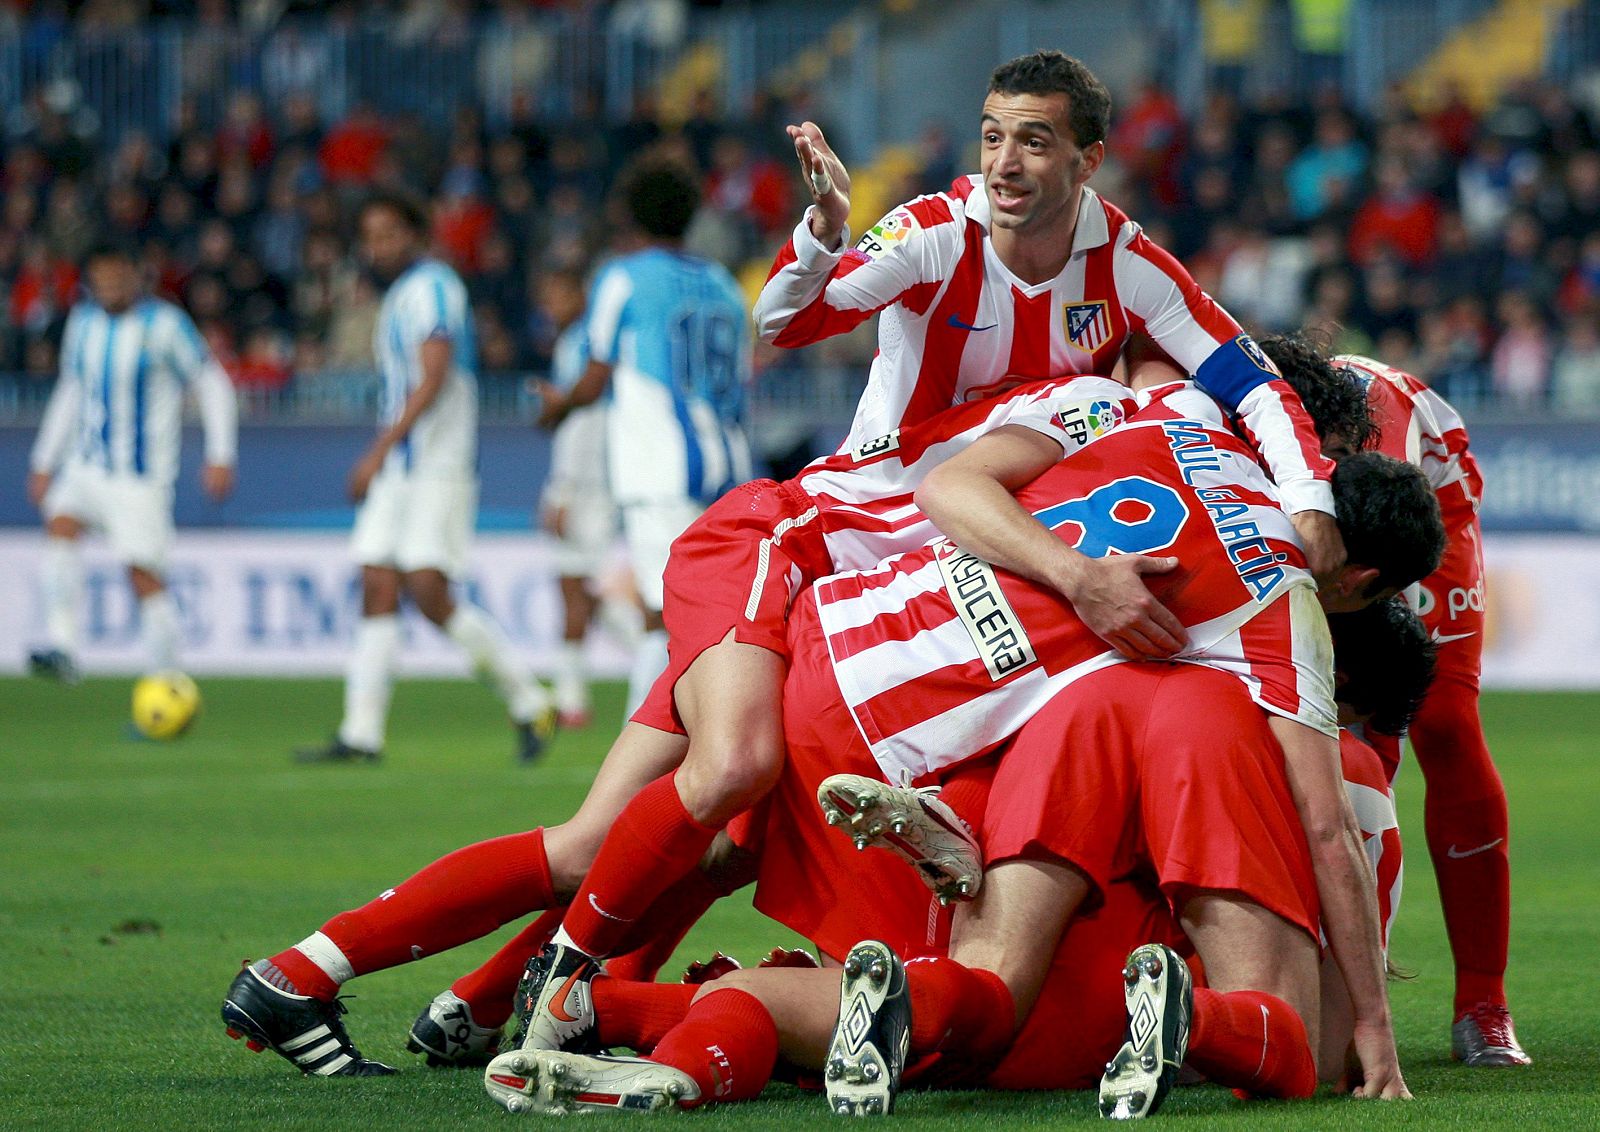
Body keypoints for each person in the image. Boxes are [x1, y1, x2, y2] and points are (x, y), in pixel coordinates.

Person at [481, 383, 1444, 1116]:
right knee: (1012, 1011)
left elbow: (957, 478)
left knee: (704, 833)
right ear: (1358, 580)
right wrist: (1373, 1026)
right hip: (921, 730)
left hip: (851, 630)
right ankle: (1173, 1008)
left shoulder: (1172, 409)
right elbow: (1329, 831)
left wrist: (1070, 570)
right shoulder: (1281, 635)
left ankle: (561, 995)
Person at [219, 372, 1146, 1077]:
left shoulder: (1116, 452)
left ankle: (335, 979)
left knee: (654, 845)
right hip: (774, 546)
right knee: (737, 769)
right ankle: (561, 983)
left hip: (826, 615)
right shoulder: (1093, 410)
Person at [757, 50, 1348, 582]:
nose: (1004, 165)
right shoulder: (931, 234)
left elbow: (1252, 383)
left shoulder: (1127, 263)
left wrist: (1308, 500)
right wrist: (825, 229)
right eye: (992, 139)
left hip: (1026, 528)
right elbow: (784, 325)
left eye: (1033, 144)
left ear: (1089, 161)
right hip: (889, 508)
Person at [296, 193, 552, 766]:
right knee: (377, 583)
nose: (379, 245)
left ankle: (529, 699)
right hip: (403, 470)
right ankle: (361, 734)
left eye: (390, 232)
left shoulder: (434, 286)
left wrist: (375, 451)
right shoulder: (402, 295)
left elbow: (433, 378)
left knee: (429, 593)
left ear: (414, 233)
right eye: (371, 235)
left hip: (436, 466)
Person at [1328, 353, 1528, 1067]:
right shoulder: (1245, 431)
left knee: (1433, 720)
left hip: (1423, 511)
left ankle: (1483, 1004)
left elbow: (1390, 534)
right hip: (1331, 527)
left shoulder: (1382, 438)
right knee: (1330, 736)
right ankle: (1334, 988)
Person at [535, 159, 753, 719]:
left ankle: (645, 755)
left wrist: (561, 406)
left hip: (659, 468)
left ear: (629, 215)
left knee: (665, 614)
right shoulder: (725, 285)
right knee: (716, 609)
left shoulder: (622, 277)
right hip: (728, 466)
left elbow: (596, 371)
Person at [27, 239, 237, 683]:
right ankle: (63, 646)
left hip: (139, 477)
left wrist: (220, 454)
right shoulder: (82, 323)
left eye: (117, 274)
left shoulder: (164, 325)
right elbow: (71, 390)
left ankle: (168, 680)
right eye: (100, 276)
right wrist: (45, 459)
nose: (108, 284)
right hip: (86, 466)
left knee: (143, 575)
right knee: (60, 523)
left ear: (136, 275)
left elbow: (210, 382)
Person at [534, 268, 612, 728]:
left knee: (584, 587)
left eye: (560, 291)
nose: (551, 304)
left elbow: (581, 424)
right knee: (577, 588)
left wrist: (561, 489)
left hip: (586, 483)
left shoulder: (582, 344)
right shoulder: (579, 342)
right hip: (594, 479)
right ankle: (570, 698)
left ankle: (667, 663)